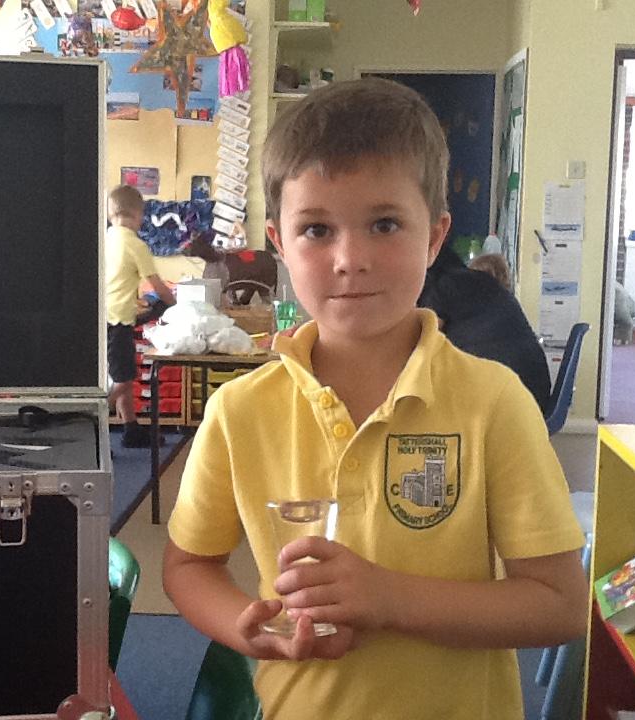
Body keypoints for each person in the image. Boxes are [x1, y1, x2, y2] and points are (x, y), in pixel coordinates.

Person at [163, 78, 587, 719]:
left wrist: (386, 598)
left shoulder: (493, 402)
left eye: (384, 224)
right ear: (279, 243)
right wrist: (248, 627)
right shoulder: (238, 411)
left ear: (435, 238)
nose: (350, 258)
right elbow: (189, 566)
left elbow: (559, 604)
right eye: (316, 229)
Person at [420, 250, 552, 414]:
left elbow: (424, 345)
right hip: (533, 394)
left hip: (508, 404)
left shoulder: (442, 286)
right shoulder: (480, 284)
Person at [105, 184, 175, 448]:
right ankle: (90, 420)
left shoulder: (105, 239)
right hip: (119, 320)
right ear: (139, 214)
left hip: (102, 319)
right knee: (124, 380)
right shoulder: (135, 244)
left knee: (119, 372)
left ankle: (131, 428)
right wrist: (175, 305)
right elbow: (156, 284)